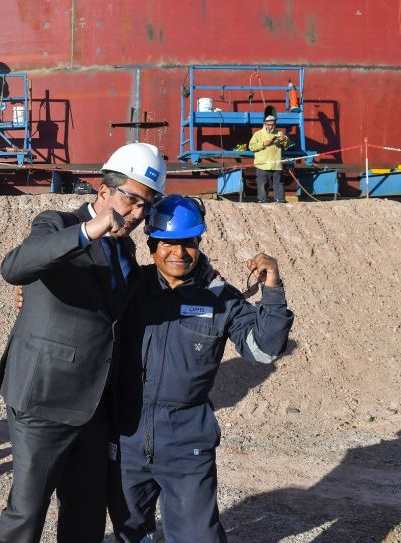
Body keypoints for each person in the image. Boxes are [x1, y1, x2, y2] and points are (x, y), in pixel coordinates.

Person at [0, 143, 167, 542]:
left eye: (147, 205)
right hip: (45, 398)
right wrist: (89, 231)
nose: (138, 213)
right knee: (27, 511)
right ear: (104, 191)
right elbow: (15, 267)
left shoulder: (125, 247)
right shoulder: (58, 223)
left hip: (94, 403)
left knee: (86, 512)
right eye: (132, 200)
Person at [109, 195, 294, 542]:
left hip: (186, 443)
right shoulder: (130, 288)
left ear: (199, 243)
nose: (178, 253)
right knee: (129, 534)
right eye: (168, 243)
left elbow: (264, 351)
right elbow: (82, 312)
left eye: (188, 242)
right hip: (126, 438)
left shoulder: (220, 298)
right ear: (151, 246)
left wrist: (272, 291)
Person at [248, 114, 290, 203]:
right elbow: (251, 147)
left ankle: (280, 199)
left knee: (279, 183)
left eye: (273, 124)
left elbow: (286, 145)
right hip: (262, 164)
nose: (271, 126)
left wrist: (285, 139)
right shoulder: (258, 134)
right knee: (262, 183)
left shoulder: (279, 133)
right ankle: (262, 199)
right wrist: (263, 144)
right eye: (269, 124)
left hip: (276, 164)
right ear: (265, 124)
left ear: (275, 124)